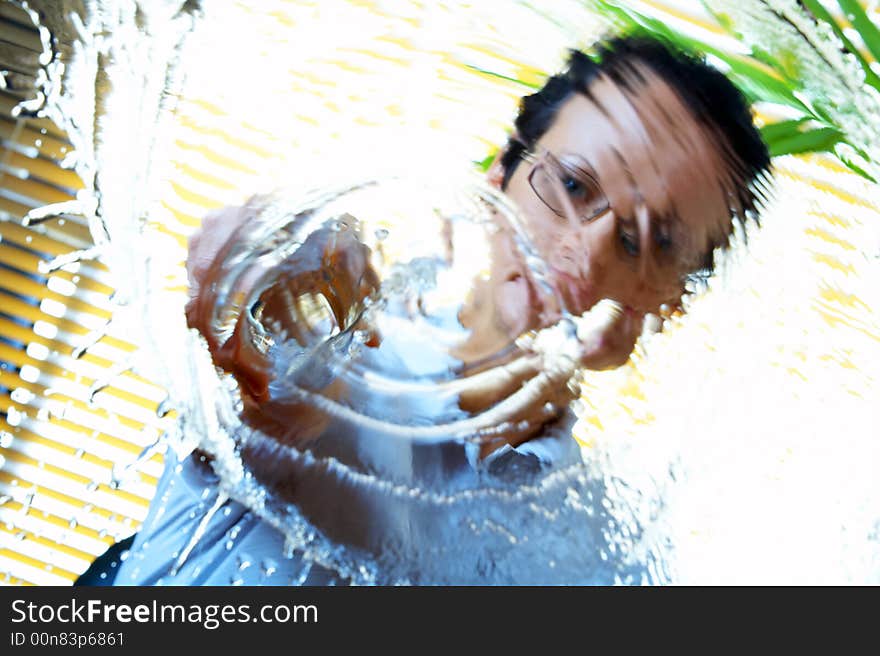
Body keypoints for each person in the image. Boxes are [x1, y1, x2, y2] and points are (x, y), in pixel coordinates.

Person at [76, 34, 771, 586]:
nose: (585, 257)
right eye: (571, 184)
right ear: (501, 172)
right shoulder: (342, 351)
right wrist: (263, 261)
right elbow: (263, 354)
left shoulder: (606, 561)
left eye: (639, 243)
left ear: (669, 305)